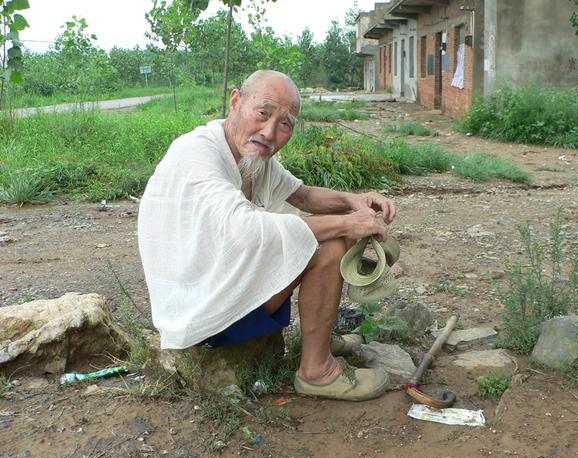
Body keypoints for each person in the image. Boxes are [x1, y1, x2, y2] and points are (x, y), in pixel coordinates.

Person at [138, 70, 397, 401]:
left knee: (333, 229)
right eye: (263, 113)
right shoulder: (196, 154)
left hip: (223, 285)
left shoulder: (252, 156)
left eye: (285, 123)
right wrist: (348, 224)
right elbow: (245, 231)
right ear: (236, 102)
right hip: (203, 310)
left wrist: (352, 201)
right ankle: (316, 372)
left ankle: (317, 340)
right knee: (329, 245)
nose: (270, 131)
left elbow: (302, 196)